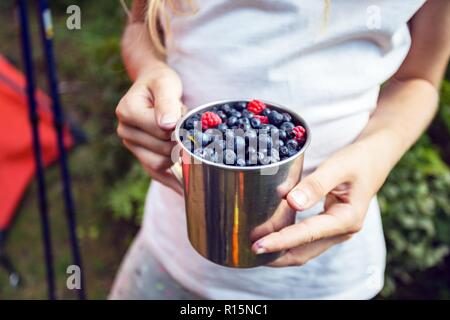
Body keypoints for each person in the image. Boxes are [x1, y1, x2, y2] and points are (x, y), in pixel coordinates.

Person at [110, 0, 450, 299]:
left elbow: (419, 77)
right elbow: (140, 26)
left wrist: (377, 153)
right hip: (174, 252)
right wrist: (150, 72)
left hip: (324, 280)